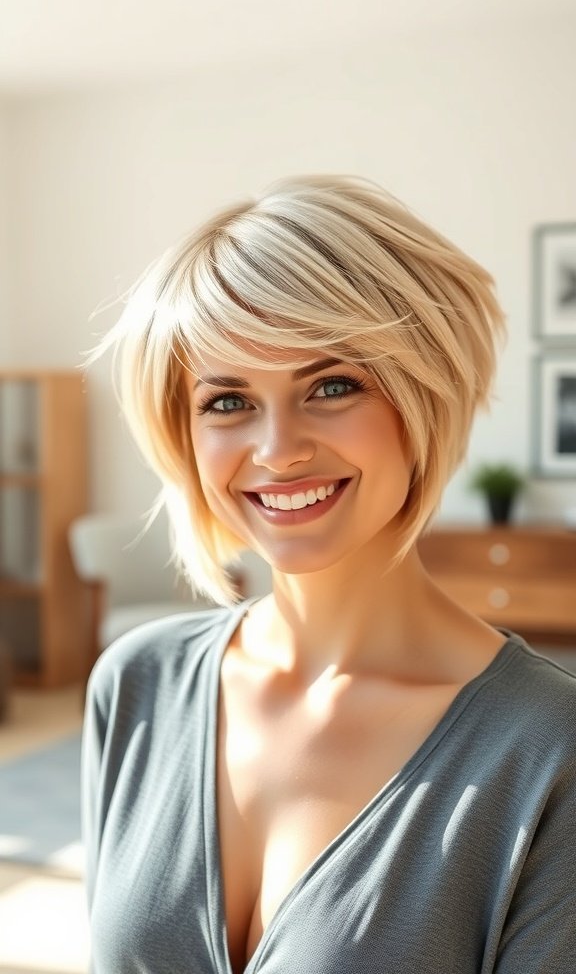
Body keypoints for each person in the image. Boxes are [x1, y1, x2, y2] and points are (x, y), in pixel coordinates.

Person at [82, 175, 576, 974]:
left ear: (425, 394)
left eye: (332, 385)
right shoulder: (135, 686)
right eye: (227, 401)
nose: (277, 450)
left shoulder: (550, 751)